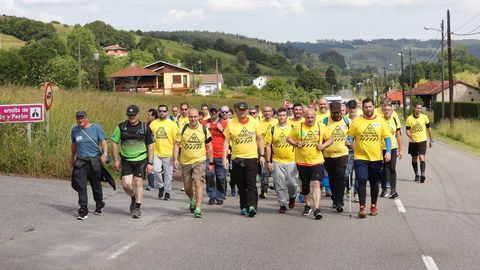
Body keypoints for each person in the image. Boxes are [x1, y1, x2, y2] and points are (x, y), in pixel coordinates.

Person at [346, 98, 392, 218]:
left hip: (376, 158)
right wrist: (348, 141)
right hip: (360, 157)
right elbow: (350, 136)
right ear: (363, 108)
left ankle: (373, 205)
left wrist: (388, 152)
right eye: (366, 107)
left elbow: (387, 138)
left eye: (370, 107)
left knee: (374, 183)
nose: (368, 109)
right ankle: (362, 207)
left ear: (373, 107)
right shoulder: (356, 122)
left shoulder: (381, 121)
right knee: (361, 180)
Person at [287, 109, 333, 220]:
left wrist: (323, 146)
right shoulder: (299, 127)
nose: (310, 120)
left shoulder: (321, 126)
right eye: (308, 117)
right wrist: (297, 143)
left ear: (315, 117)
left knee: (316, 183)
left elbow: (330, 139)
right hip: (302, 161)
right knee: (305, 184)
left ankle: (317, 209)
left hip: (317, 160)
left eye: (312, 117)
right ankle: (308, 205)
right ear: (304, 116)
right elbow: (289, 138)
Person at [222, 102, 265, 217]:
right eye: (240, 110)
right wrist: (224, 158)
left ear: (247, 110)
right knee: (241, 184)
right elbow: (226, 142)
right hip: (237, 158)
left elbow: (260, 139)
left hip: (251, 157)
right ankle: (243, 206)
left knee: (251, 183)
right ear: (236, 110)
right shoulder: (231, 124)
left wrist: (262, 155)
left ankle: (252, 206)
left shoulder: (254, 122)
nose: (242, 112)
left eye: (244, 110)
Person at [111, 105, 154, 218]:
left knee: (138, 182)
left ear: (138, 115)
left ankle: (137, 208)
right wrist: (116, 160)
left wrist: (150, 163)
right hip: (126, 160)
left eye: (134, 115)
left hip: (141, 159)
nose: (132, 118)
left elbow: (150, 146)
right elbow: (114, 142)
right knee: (126, 184)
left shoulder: (145, 127)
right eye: (130, 116)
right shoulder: (121, 127)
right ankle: (134, 197)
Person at [173, 108, 214, 218]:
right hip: (185, 162)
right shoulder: (182, 129)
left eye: (195, 116)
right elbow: (176, 144)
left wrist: (211, 163)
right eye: (191, 117)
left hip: (199, 160)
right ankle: (192, 199)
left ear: (199, 117)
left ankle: (198, 207)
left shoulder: (204, 130)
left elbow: (209, 147)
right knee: (187, 187)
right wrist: (175, 159)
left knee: (198, 182)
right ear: (188, 117)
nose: (193, 119)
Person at [71, 110, 108, 220]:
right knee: (81, 186)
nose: (80, 120)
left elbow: (104, 142)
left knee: (96, 185)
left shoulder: (96, 128)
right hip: (81, 162)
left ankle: (99, 203)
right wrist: (72, 159)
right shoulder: (75, 131)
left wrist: (105, 154)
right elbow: (74, 146)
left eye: (82, 118)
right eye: (78, 118)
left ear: (86, 118)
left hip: (94, 161)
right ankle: (83, 209)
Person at [265, 107, 298, 213]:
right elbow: (268, 146)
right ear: (276, 116)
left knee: (292, 184)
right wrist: (268, 161)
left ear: (287, 116)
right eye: (280, 115)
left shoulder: (293, 128)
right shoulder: (272, 129)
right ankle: (282, 204)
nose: (282, 117)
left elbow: (299, 143)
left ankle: (292, 197)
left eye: (284, 115)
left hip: (292, 160)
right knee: (279, 184)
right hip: (277, 161)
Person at [323, 101, 350, 213]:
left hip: (342, 153)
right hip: (328, 155)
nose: (336, 115)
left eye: (338, 113)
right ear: (330, 111)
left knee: (341, 177)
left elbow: (352, 134)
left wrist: (350, 140)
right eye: (334, 113)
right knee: (332, 178)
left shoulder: (346, 121)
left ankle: (340, 201)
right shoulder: (325, 121)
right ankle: (335, 199)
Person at [149, 104, 178, 200]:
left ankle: (167, 192)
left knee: (168, 174)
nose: (162, 112)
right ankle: (161, 186)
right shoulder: (153, 124)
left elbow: (176, 141)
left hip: (168, 153)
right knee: (156, 170)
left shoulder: (172, 124)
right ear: (158, 111)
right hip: (156, 152)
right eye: (160, 111)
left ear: (167, 112)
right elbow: (150, 139)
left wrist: (175, 156)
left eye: (164, 111)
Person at [202, 105, 229, 205]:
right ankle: (212, 195)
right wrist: (204, 128)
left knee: (221, 177)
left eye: (215, 111)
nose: (213, 113)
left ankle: (220, 196)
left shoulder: (224, 123)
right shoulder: (204, 123)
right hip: (208, 154)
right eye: (211, 111)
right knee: (209, 175)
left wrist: (221, 129)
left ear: (219, 112)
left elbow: (229, 137)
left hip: (220, 153)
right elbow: (199, 135)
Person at [405, 102, 433, 183]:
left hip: (422, 140)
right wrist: (411, 137)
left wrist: (431, 140)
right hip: (413, 141)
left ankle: (422, 174)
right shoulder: (409, 119)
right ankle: (416, 174)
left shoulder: (424, 117)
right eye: (417, 108)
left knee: (421, 157)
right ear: (414, 108)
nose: (418, 110)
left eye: (420, 108)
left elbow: (429, 129)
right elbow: (407, 131)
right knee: (414, 158)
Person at [382, 103, 403, 198]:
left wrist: (401, 149)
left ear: (392, 111)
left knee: (392, 168)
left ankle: (393, 190)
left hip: (393, 148)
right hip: (381, 148)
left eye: (389, 110)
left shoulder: (394, 120)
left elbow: (398, 135)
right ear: (383, 111)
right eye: (385, 109)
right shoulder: (380, 120)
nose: (387, 111)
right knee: (383, 169)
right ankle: (384, 189)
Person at [258, 106, 278, 198]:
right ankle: (264, 190)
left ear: (272, 112)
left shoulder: (276, 122)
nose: (267, 113)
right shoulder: (259, 123)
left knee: (276, 171)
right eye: (265, 111)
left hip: (275, 149)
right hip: (264, 149)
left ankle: (278, 189)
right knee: (264, 171)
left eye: (269, 111)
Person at [345, 100, 359, 202]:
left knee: (359, 173)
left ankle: (356, 192)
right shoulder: (344, 120)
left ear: (357, 108)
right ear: (347, 109)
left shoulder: (360, 120)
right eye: (350, 108)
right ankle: (348, 188)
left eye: (354, 108)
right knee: (347, 173)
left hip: (359, 150)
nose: (352, 110)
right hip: (347, 150)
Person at [145, 108, 158, 191]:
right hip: (148, 149)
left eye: (149, 115)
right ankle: (151, 184)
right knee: (149, 167)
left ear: (154, 116)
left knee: (153, 167)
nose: (148, 116)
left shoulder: (155, 124)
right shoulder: (148, 124)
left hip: (156, 149)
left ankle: (152, 184)